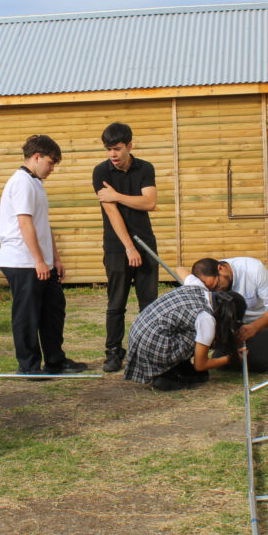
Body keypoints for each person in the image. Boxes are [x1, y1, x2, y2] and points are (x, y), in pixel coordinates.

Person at [0, 135, 87, 376]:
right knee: (27, 315)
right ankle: (28, 366)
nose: (52, 168)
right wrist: (38, 260)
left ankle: (55, 361)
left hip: (40, 261)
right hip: (22, 261)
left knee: (53, 311)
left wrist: (54, 259)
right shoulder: (21, 182)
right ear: (36, 157)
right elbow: (25, 223)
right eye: (50, 162)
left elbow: (43, 225)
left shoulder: (35, 183)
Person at [92, 122, 158, 373]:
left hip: (147, 243)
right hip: (117, 247)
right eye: (109, 149)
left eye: (117, 149)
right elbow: (112, 213)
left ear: (129, 146)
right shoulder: (101, 172)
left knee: (149, 302)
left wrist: (118, 196)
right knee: (116, 302)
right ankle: (113, 352)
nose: (113, 155)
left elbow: (150, 202)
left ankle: (147, 349)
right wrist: (129, 247)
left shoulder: (145, 168)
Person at [125, 259, 246, 391]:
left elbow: (181, 269)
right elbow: (200, 365)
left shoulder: (197, 286)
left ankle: (175, 368)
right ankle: (166, 376)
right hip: (150, 347)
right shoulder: (206, 319)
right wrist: (231, 358)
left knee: (190, 331)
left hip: (138, 333)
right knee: (200, 336)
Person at [215, 258, 268, 373]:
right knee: (220, 363)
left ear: (221, 268)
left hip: (261, 319)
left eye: (217, 284)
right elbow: (181, 269)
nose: (217, 290)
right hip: (232, 322)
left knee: (257, 365)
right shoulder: (207, 274)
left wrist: (254, 327)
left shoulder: (254, 269)